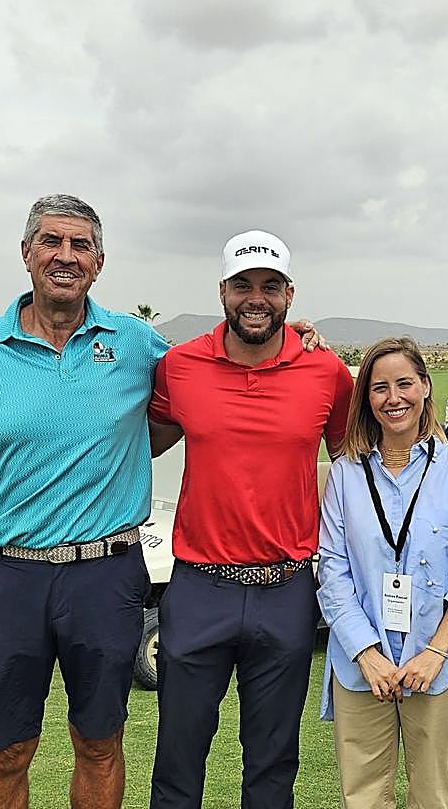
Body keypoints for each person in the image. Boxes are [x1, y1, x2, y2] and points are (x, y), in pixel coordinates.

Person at [0, 194, 169, 809]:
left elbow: (209, 386)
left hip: (107, 574)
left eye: (80, 244)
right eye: (52, 242)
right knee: (5, 752)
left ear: (100, 261)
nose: (66, 256)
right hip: (6, 575)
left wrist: (284, 341)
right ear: (27, 253)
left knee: (99, 742)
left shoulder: (136, 343)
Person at [147, 229, 355, 809]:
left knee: (271, 763)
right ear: (222, 292)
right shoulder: (180, 365)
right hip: (197, 587)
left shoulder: (325, 371)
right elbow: (145, 441)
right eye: (243, 285)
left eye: (269, 286)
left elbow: (352, 464)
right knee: (178, 758)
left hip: (286, 588)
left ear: (289, 294)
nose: (255, 297)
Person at [316, 336, 448, 809]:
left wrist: (435, 651)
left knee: (433, 797)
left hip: (436, 664)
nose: (393, 398)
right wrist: (367, 653)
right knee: (363, 798)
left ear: (425, 387)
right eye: (379, 388)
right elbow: (332, 570)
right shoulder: (345, 474)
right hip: (361, 667)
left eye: (404, 384)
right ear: (367, 399)